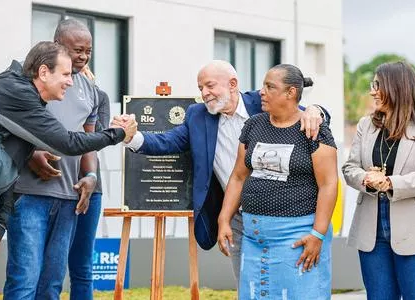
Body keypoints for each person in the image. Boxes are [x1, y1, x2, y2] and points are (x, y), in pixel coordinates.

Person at [0, 41, 136, 299]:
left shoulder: (28, 106)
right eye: (67, 74)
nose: (71, 82)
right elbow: (68, 142)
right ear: (44, 72)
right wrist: (118, 134)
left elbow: (8, 170)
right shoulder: (17, 94)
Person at [123, 60, 328, 283]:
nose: (204, 93)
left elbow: (307, 116)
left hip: (286, 218)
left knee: (289, 284)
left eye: (209, 85)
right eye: (200, 88)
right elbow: (167, 142)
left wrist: (315, 110)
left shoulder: (262, 103)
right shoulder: (197, 116)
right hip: (238, 218)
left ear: (232, 84)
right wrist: (130, 137)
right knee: (249, 286)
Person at [216, 63, 337, 299]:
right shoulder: (253, 125)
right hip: (254, 237)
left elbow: (329, 184)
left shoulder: (313, 129)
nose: (262, 92)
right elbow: (239, 176)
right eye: (263, 86)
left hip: (298, 237)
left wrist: (318, 234)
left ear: (290, 92)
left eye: (270, 87)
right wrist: (224, 220)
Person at [3, 19, 102, 299]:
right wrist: (31, 153)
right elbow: (5, 123)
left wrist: (90, 176)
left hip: (69, 198)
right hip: (28, 195)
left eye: (88, 51)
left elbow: (89, 142)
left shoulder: (90, 90)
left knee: (52, 285)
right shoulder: (29, 79)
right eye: (77, 50)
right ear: (58, 45)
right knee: (24, 280)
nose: (83, 56)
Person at [342, 61, 415, 300]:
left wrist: (390, 183)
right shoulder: (365, 125)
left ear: (396, 87)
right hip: (372, 229)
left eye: (377, 84)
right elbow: (350, 167)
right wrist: (367, 179)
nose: (372, 91)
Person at [68, 66, 111, 300]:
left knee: (82, 265)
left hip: (91, 187)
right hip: (54, 184)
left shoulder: (98, 96)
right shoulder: (52, 94)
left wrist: (91, 92)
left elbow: (100, 137)